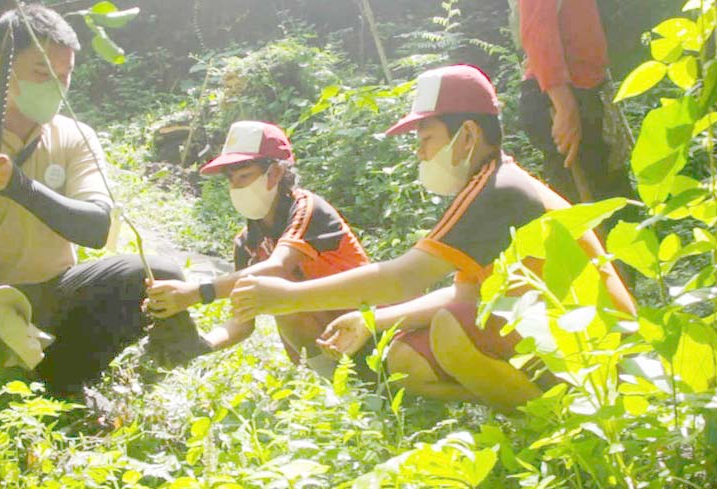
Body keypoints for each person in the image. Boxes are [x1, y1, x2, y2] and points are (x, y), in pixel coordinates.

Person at [229, 65, 636, 411]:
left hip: (595, 347)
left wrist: (285, 297)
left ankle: (557, 420)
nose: (420, 153)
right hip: (575, 338)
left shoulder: (500, 190)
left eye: (426, 139)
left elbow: (402, 279)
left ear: (469, 135)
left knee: (450, 329)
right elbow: (466, 295)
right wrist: (372, 320)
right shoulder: (490, 184)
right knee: (406, 361)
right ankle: (523, 400)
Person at [0, 4, 201, 396]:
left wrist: (17, 184)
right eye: (42, 73)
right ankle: (26, 382)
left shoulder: (74, 136)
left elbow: (95, 225)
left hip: (57, 294)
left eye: (65, 75)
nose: (55, 85)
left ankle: (60, 378)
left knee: (158, 272)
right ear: (2, 66)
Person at [144, 121, 369, 377]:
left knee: (276, 288)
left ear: (274, 174)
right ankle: (329, 382)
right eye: (231, 180)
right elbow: (242, 322)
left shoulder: (308, 209)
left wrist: (196, 293)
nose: (236, 187)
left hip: (367, 326)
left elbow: (277, 267)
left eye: (244, 176)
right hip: (322, 343)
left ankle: (344, 383)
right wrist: (202, 345)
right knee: (269, 292)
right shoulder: (247, 242)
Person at [515, 0, 636, 207]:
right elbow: (538, 29)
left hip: (583, 93)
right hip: (565, 98)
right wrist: (564, 106)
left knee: (612, 200)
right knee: (587, 207)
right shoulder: (564, 103)